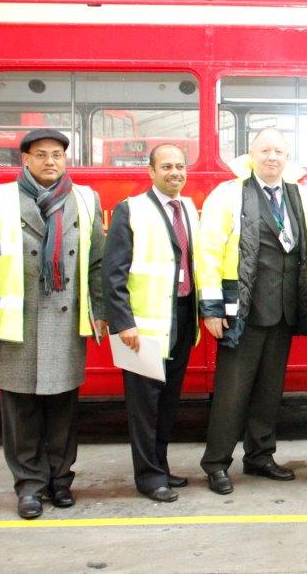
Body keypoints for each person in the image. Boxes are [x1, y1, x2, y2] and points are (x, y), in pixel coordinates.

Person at [0, 128, 107, 520]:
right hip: (17, 326)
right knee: (21, 410)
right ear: (25, 160)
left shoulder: (85, 198)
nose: (51, 162)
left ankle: (60, 480)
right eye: (42, 154)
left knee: (63, 407)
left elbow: (96, 262)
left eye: (58, 155)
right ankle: (29, 486)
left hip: (64, 321)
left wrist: (101, 312)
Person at [197, 127, 307, 495]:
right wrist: (212, 308)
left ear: (287, 156)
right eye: (265, 150)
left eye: (279, 151)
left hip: (281, 313)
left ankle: (260, 455)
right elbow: (208, 251)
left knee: (269, 391)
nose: (272, 157)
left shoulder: (300, 196)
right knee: (231, 392)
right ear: (251, 154)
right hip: (242, 311)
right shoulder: (228, 194)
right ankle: (216, 463)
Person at [104, 144, 199, 502]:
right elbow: (113, 274)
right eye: (166, 167)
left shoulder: (188, 207)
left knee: (168, 402)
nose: (175, 172)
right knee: (144, 406)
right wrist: (123, 322)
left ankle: (160, 465)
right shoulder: (131, 209)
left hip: (182, 318)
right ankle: (148, 477)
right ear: (151, 171)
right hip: (142, 327)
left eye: (180, 166)